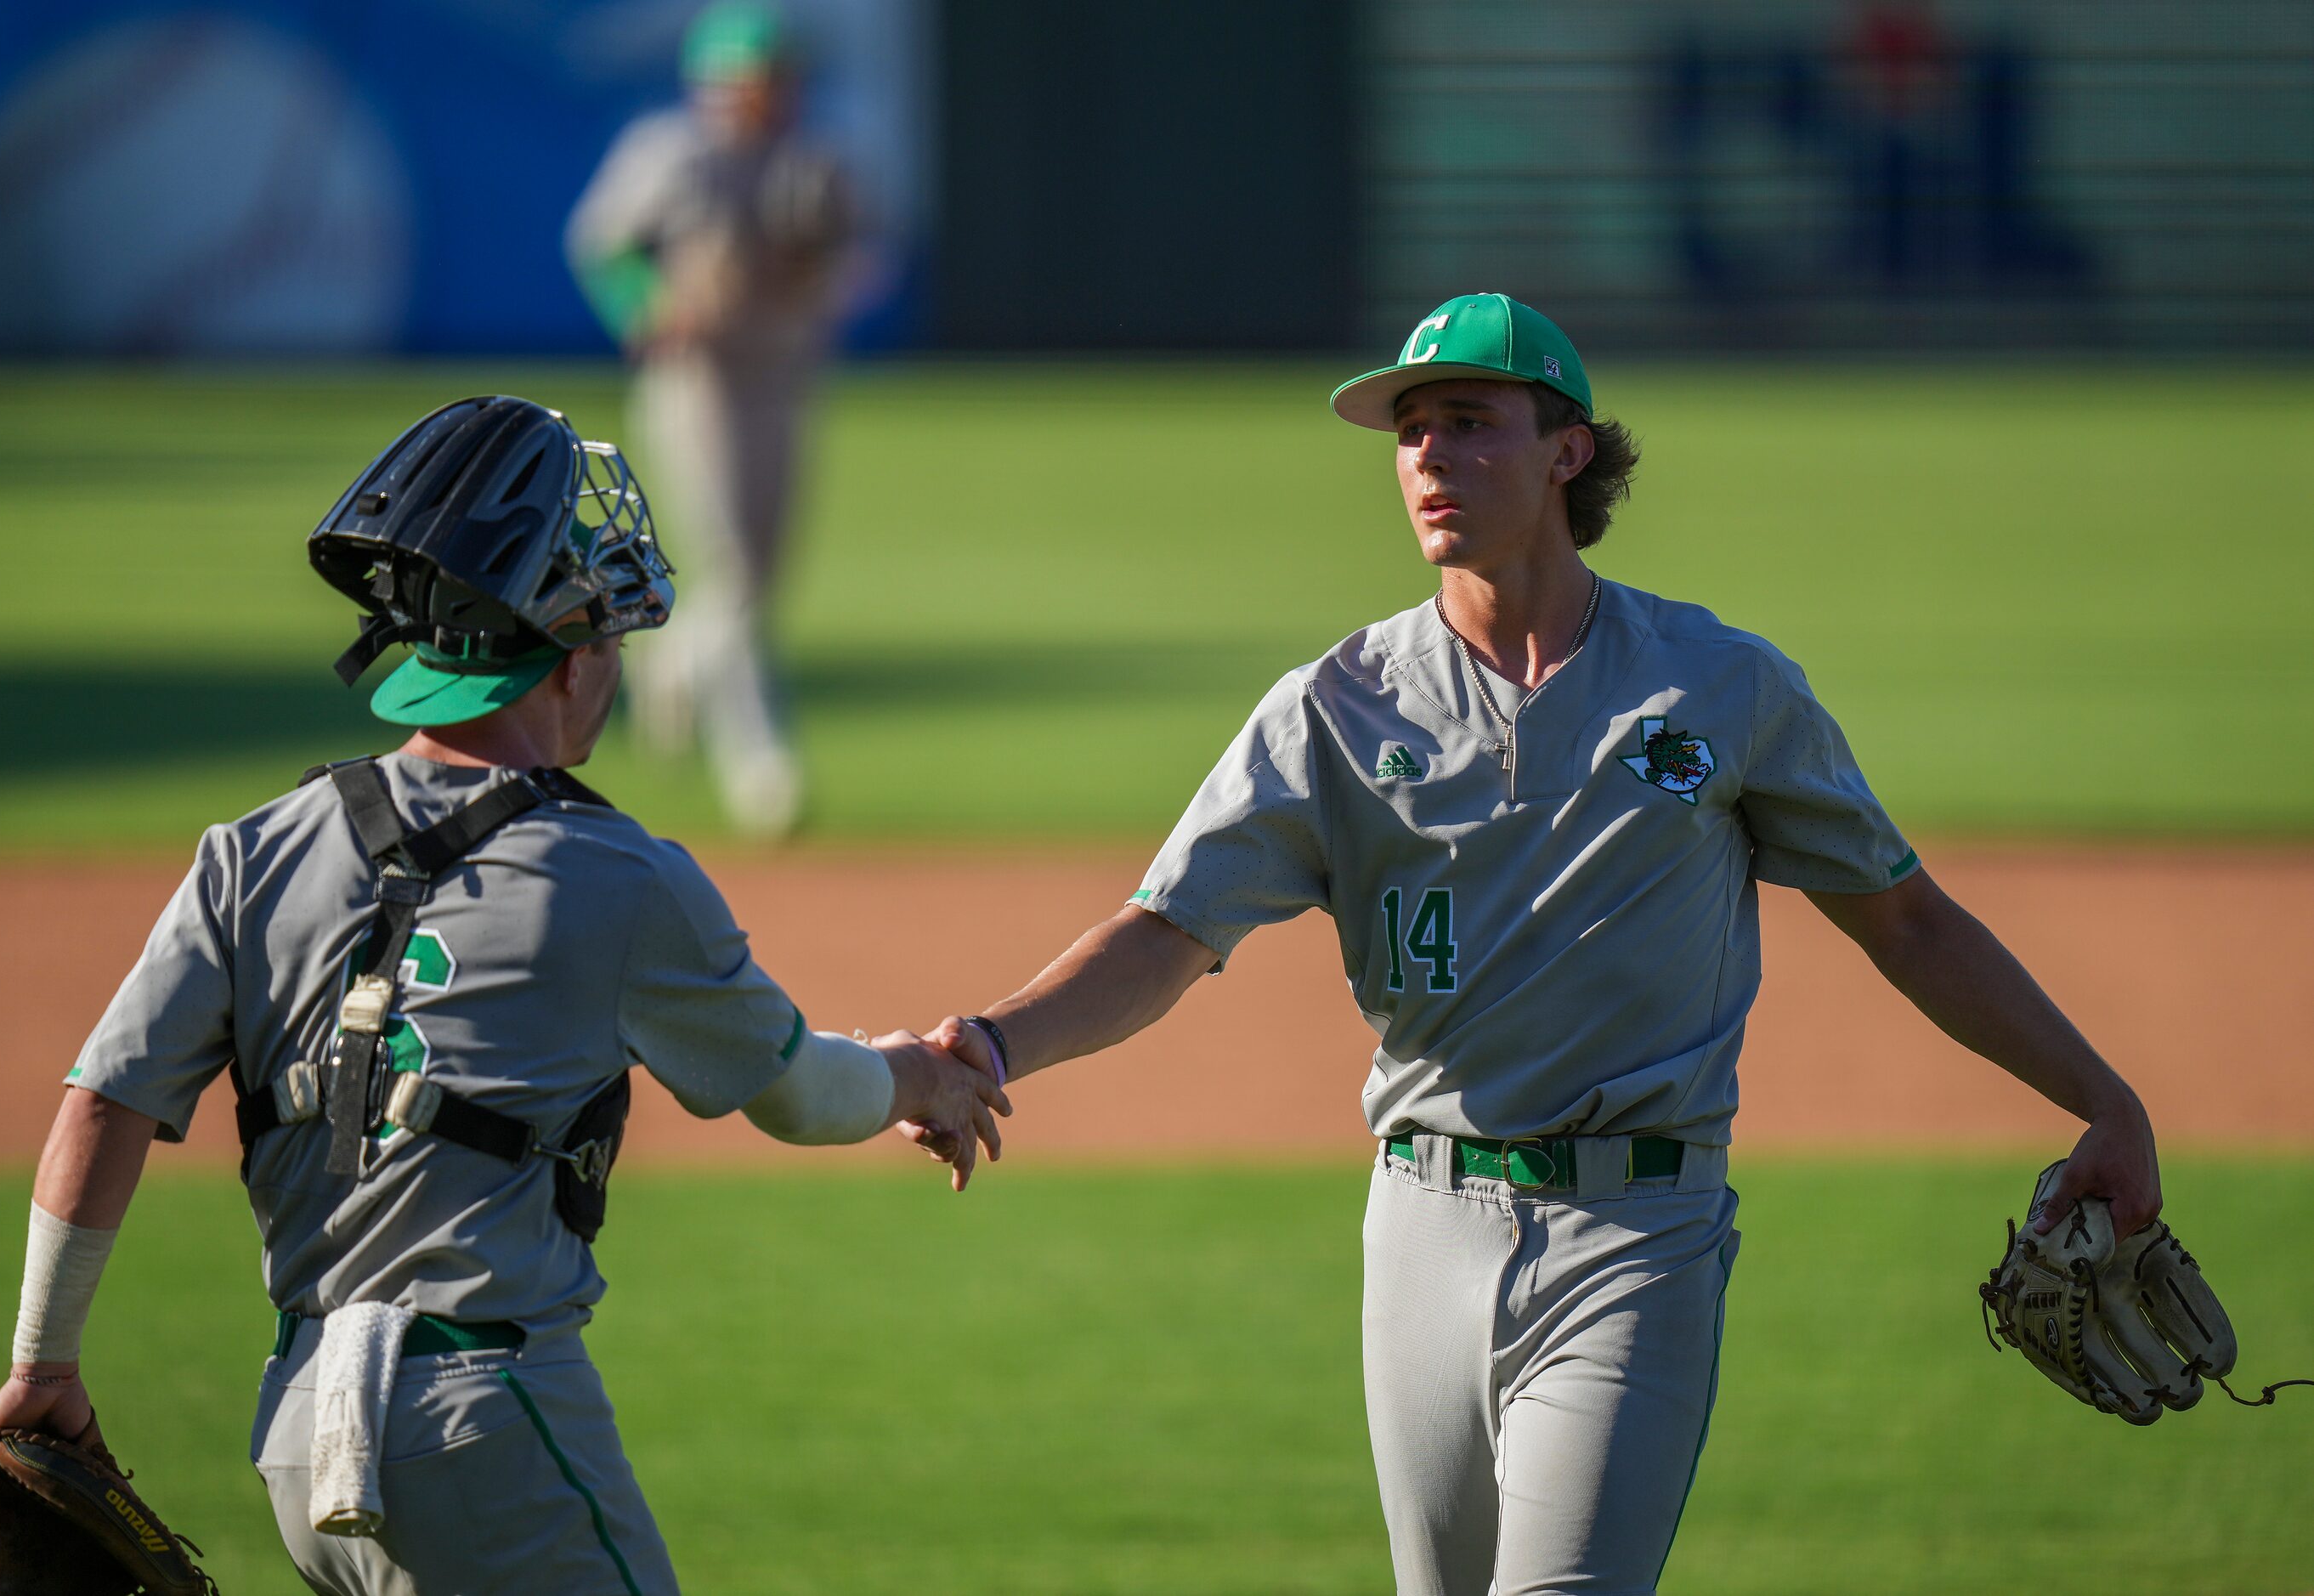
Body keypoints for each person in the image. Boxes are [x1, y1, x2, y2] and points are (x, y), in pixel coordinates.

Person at [923, 293, 2163, 1593]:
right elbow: (1164, 932)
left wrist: (2100, 1097)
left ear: (1567, 450)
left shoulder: (1715, 684)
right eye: (1409, 433)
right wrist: (993, 1041)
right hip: (1417, 1225)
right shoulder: (1336, 706)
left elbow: (1904, 918)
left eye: (1469, 423)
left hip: (1635, 1230)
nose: (1428, 459)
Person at [0, 397, 1005, 1596]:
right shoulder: (620, 876)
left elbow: (100, 1104)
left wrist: (43, 1362)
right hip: (483, 1422)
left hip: (298, 1430)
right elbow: (801, 1094)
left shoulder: (249, 851)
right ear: (572, 658)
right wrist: (916, 1074)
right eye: (611, 635)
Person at [565, 3, 855, 840]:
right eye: (751, 80)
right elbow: (599, 242)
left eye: (777, 79)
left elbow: (855, 252)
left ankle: (670, 659)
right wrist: (645, 302)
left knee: (762, 576)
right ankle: (759, 765)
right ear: (717, 84)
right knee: (730, 568)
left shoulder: (812, 163)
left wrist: (828, 269)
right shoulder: (672, 153)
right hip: (696, 382)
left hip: (779, 376)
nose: (766, 94)